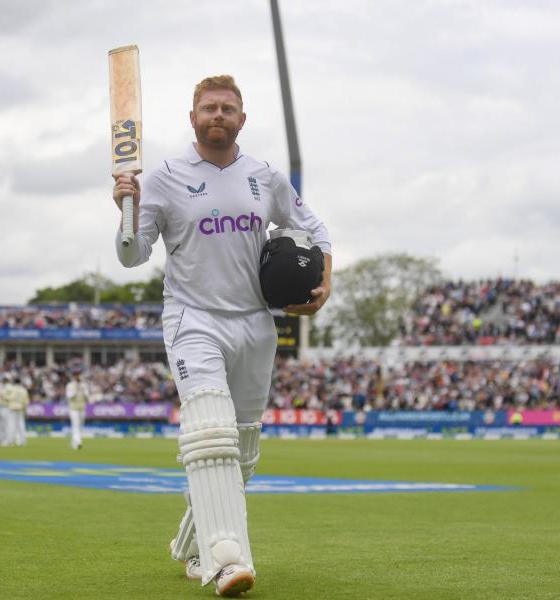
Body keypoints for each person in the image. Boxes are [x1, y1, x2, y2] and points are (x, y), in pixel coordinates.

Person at [112, 74, 332, 597]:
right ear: (192, 118)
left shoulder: (265, 176)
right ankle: (225, 560)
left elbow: (316, 231)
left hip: (256, 323)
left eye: (227, 108)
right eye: (208, 108)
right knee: (211, 432)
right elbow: (131, 256)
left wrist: (325, 282)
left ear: (241, 118)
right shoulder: (163, 177)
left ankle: (189, 541)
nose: (217, 115)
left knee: (243, 449)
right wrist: (127, 209)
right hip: (193, 318)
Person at [65, 369, 90, 450]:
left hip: (82, 408)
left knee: (80, 426)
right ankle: (79, 442)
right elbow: (69, 396)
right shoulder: (70, 385)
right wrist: (76, 390)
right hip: (73, 408)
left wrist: (83, 391)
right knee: (75, 425)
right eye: (76, 375)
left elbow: (87, 397)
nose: (78, 376)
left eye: (79, 374)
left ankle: (74, 443)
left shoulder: (84, 385)